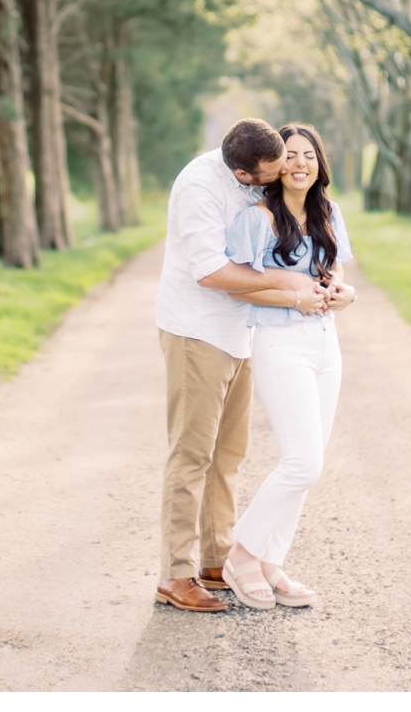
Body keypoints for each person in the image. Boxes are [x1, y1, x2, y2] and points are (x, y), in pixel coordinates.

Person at [153, 118, 330, 613]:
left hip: (243, 331)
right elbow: (210, 271)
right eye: (268, 176)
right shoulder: (198, 187)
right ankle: (176, 573)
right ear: (242, 172)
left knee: (228, 453)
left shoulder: (261, 170)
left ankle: (216, 557)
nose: (278, 179)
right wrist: (289, 285)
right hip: (197, 331)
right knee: (192, 455)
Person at [220, 123, 356, 609]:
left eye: (310, 155)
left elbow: (334, 269)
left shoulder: (329, 212)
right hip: (280, 341)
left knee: (310, 464)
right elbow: (237, 285)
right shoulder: (256, 218)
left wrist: (342, 291)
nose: (301, 163)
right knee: (303, 462)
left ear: (320, 163)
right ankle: (242, 554)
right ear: (276, 166)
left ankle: (271, 563)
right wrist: (295, 299)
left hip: (325, 344)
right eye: (291, 155)